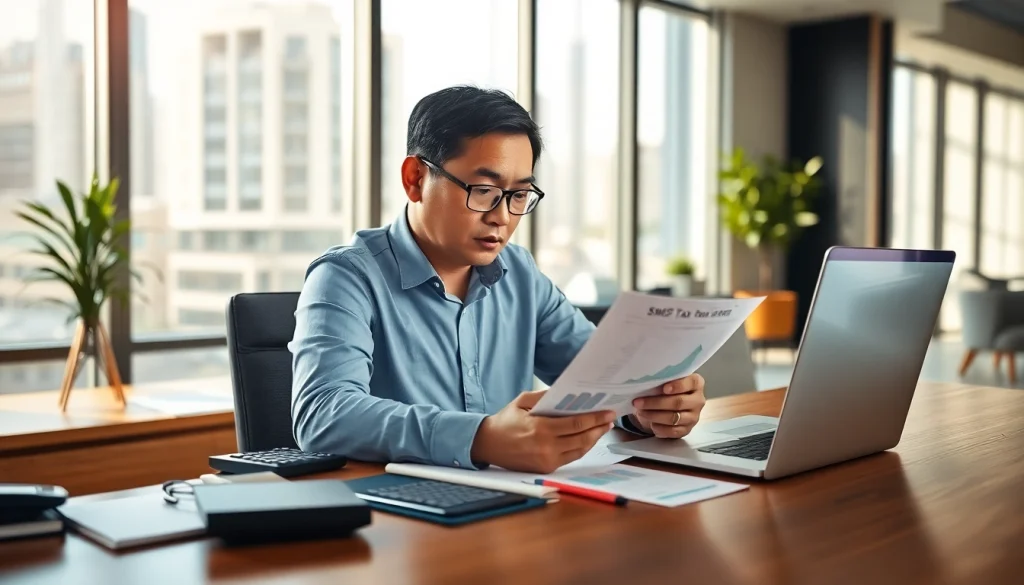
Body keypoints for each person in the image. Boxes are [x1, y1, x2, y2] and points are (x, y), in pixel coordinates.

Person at [289, 86, 706, 473]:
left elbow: (603, 376)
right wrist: (480, 439)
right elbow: (323, 413)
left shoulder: (520, 274)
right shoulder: (346, 276)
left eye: (519, 195)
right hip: (396, 521)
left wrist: (647, 407)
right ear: (415, 179)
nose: (502, 217)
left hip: (513, 509)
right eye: (483, 189)